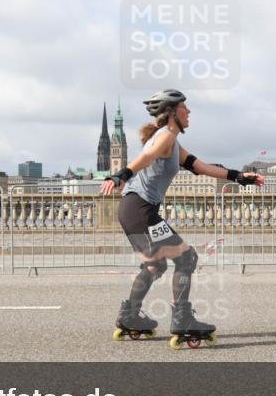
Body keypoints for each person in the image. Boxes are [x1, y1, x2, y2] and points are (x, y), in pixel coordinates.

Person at [100, 89, 265, 348]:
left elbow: (201, 167)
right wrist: (121, 174)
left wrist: (239, 177)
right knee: (187, 258)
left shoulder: (171, 141)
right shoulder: (165, 136)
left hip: (134, 210)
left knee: (156, 265)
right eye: (184, 107)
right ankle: (182, 319)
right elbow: (146, 158)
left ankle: (130, 315)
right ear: (172, 112)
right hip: (141, 210)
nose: (189, 112)